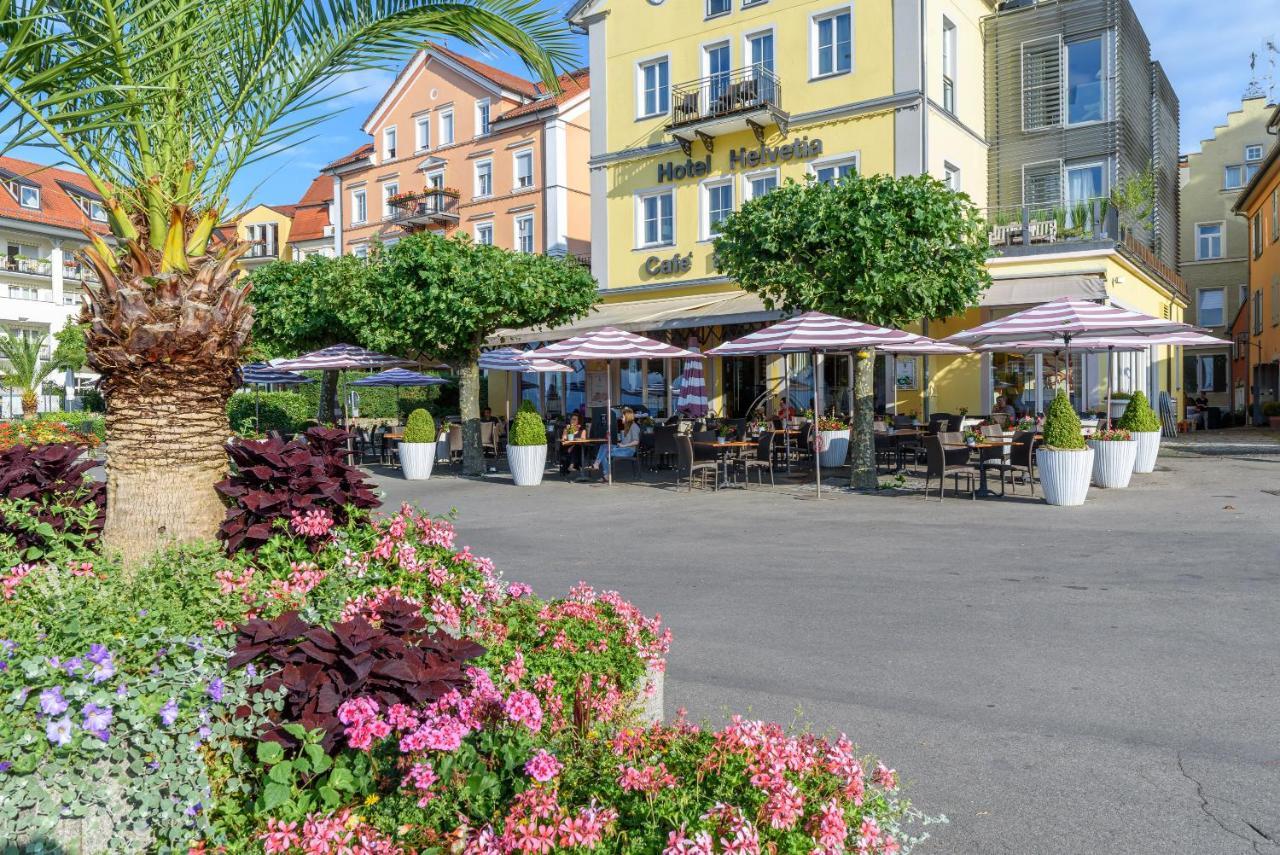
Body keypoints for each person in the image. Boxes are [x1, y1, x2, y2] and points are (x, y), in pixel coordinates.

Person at [592, 407, 640, 479]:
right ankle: (600, 467)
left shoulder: (634, 427)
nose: (621, 418)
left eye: (622, 417)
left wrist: (623, 445)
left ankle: (602, 470)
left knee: (605, 451)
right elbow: (625, 441)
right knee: (604, 446)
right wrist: (616, 442)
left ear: (627, 417)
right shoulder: (627, 427)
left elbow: (636, 441)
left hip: (629, 451)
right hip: (623, 448)